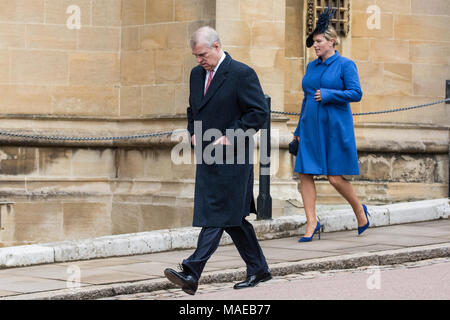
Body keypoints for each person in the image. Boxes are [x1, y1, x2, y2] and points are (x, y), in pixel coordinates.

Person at [164, 26, 272, 295]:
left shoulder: (241, 73)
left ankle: (192, 270)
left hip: (234, 158)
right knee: (233, 219)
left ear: (216, 47)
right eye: (195, 56)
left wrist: (230, 136)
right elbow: (193, 109)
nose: (199, 60)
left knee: (217, 214)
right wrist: (192, 133)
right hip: (208, 156)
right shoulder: (195, 74)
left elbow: (258, 113)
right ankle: (258, 269)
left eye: (202, 54)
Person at [293, 9, 370, 242]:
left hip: (335, 127)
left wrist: (328, 94)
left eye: (319, 41)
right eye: (314, 41)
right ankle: (312, 223)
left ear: (331, 41)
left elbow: (356, 93)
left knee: (334, 177)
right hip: (310, 128)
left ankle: (359, 211)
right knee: (304, 174)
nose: (315, 45)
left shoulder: (346, 65)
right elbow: (306, 99)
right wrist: (298, 131)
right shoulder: (311, 67)